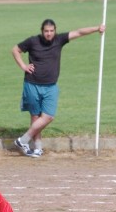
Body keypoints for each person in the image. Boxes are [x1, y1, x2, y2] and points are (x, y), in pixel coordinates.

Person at [12, 19, 106, 158]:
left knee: (48, 116)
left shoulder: (60, 39)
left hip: (51, 86)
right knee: (35, 117)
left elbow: (79, 32)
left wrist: (97, 28)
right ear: (42, 31)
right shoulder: (33, 41)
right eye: (46, 31)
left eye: (51, 31)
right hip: (32, 84)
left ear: (55, 31)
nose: (49, 34)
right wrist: (23, 66)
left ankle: (23, 140)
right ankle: (38, 148)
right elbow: (15, 50)